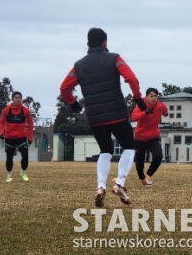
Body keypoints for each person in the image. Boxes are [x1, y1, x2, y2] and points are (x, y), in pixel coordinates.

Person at [60, 27, 147, 208]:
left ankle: (101, 187)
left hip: (94, 116)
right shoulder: (114, 58)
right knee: (129, 148)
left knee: (105, 151)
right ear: (105, 43)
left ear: (88, 44)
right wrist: (138, 98)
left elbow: (64, 88)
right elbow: (131, 78)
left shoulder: (78, 65)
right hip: (116, 112)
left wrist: (73, 102)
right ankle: (119, 183)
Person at [130, 88, 168, 187]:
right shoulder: (141, 105)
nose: (154, 98)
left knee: (158, 156)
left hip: (153, 137)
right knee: (140, 161)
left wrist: (165, 113)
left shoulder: (160, 105)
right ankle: (142, 178)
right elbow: (133, 117)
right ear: (146, 97)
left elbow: (165, 112)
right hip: (140, 137)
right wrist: (145, 112)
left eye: (155, 96)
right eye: (151, 96)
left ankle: (149, 174)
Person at [0, 91, 34, 183]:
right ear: (12, 99)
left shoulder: (25, 110)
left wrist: (30, 137)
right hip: (10, 137)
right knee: (9, 157)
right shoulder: (6, 110)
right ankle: (9, 174)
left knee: (25, 156)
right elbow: (1, 122)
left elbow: (30, 123)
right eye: (16, 98)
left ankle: (23, 172)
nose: (18, 99)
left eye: (19, 98)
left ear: (21, 99)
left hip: (21, 137)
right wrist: (1, 132)